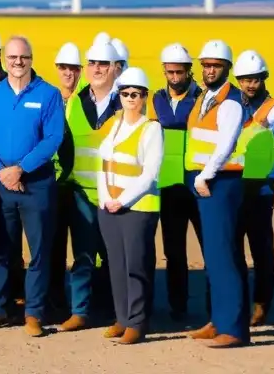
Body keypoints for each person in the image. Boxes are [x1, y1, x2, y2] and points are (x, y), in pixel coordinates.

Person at [0, 36, 64, 338]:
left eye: (23, 57)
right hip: (2, 185)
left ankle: (34, 313)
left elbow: (53, 139)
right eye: (12, 57)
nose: (17, 62)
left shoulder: (48, 94)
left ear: (31, 58)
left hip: (36, 184)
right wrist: (2, 172)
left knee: (39, 251)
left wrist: (21, 169)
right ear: (4, 59)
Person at [185, 40, 250, 348]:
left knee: (224, 255)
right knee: (214, 255)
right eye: (206, 65)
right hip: (206, 182)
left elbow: (226, 144)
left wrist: (206, 174)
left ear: (228, 69)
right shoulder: (207, 96)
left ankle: (234, 328)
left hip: (219, 182)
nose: (209, 70)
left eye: (216, 66)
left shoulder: (232, 102)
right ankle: (219, 320)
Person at [55, 39, 122, 331]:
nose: (97, 69)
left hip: (115, 194)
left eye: (103, 64)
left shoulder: (127, 103)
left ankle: (115, 311)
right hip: (81, 192)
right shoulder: (74, 103)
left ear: (115, 68)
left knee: (114, 257)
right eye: (92, 63)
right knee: (83, 255)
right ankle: (79, 311)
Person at [96, 67, 163, 345]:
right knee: (117, 265)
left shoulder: (151, 129)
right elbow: (103, 163)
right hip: (109, 207)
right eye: (125, 93)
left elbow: (150, 175)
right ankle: (121, 318)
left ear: (145, 96)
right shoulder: (113, 124)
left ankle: (137, 322)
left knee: (136, 265)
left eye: (136, 94)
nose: (130, 98)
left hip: (138, 208)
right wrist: (104, 199)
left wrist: (121, 201)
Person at [232, 50, 274, 327]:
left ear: (264, 79)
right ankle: (235, 305)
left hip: (260, 193)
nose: (250, 84)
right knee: (232, 249)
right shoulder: (232, 105)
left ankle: (262, 304)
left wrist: (267, 175)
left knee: (260, 249)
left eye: (255, 79)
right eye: (245, 79)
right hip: (233, 189)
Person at [151, 43, 204, 320]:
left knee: (211, 248)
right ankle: (178, 306)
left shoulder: (203, 99)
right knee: (174, 251)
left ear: (188, 71)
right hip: (169, 186)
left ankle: (213, 305)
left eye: (179, 72)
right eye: (170, 72)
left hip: (198, 184)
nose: (174, 77)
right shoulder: (156, 99)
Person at [48, 42, 84, 313]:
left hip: (82, 185)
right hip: (55, 183)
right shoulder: (49, 99)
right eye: (64, 68)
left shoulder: (88, 99)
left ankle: (84, 303)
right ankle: (55, 300)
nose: (68, 73)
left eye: (73, 68)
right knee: (53, 245)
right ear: (57, 69)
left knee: (84, 249)